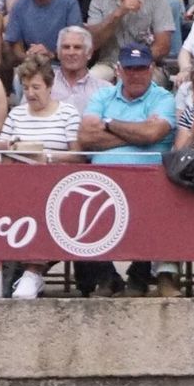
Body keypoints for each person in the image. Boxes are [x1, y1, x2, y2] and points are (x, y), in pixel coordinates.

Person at [77, 42, 176, 296]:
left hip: (149, 181)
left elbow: (154, 132)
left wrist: (108, 124)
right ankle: (107, 277)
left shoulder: (163, 98)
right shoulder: (102, 95)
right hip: (103, 181)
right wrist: (139, 132)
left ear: (151, 69)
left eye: (141, 68)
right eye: (130, 69)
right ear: (119, 70)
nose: (135, 74)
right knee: (81, 202)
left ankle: (139, 275)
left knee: (154, 202)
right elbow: (86, 137)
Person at [0, 53, 80, 298]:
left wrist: (48, 157)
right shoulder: (16, 114)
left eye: (36, 87)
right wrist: (5, 147)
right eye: (25, 87)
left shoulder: (68, 113)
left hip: (56, 187)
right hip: (17, 186)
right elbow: (1, 149)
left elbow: (78, 155)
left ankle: (33, 272)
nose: (30, 93)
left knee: (42, 207)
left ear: (50, 87)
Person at [50, 24, 107, 111]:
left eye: (77, 47)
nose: (71, 52)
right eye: (66, 47)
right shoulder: (43, 85)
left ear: (89, 53)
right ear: (58, 53)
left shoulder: (104, 89)